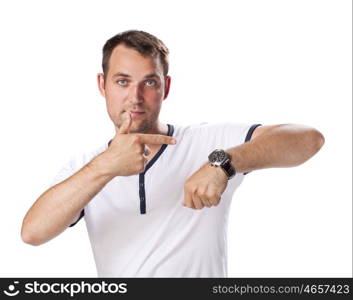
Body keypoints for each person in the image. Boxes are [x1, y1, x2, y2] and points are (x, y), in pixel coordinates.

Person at [21, 30, 325, 277]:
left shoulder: (205, 141)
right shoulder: (85, 166)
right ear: (103, 85)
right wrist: (105, 167)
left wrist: (223, 163)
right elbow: (33, 233)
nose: (135, 97)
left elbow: (308, 140)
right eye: (122, 81)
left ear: (165, 88)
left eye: (149, 82)